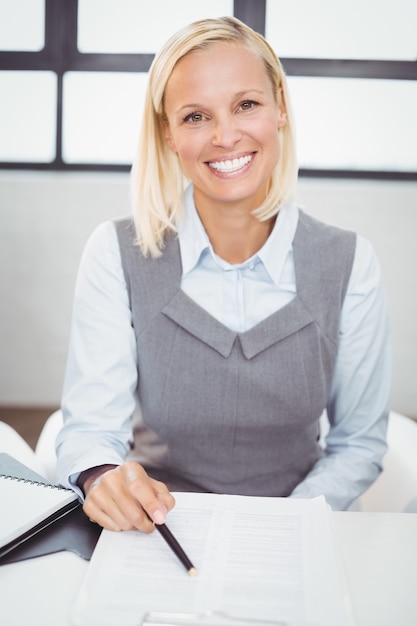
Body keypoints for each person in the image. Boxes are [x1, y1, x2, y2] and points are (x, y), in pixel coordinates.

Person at [55, 16, 391, 534]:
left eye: (246, 105)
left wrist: (282, 526)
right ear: (168, 132)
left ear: (280, 107)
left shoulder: (349, 262)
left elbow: (358, 444)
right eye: (195, 116)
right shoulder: (115, 253)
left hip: (301, 527)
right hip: (161, 532)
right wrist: (102, 478)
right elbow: (92, 431)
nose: (225, 135)